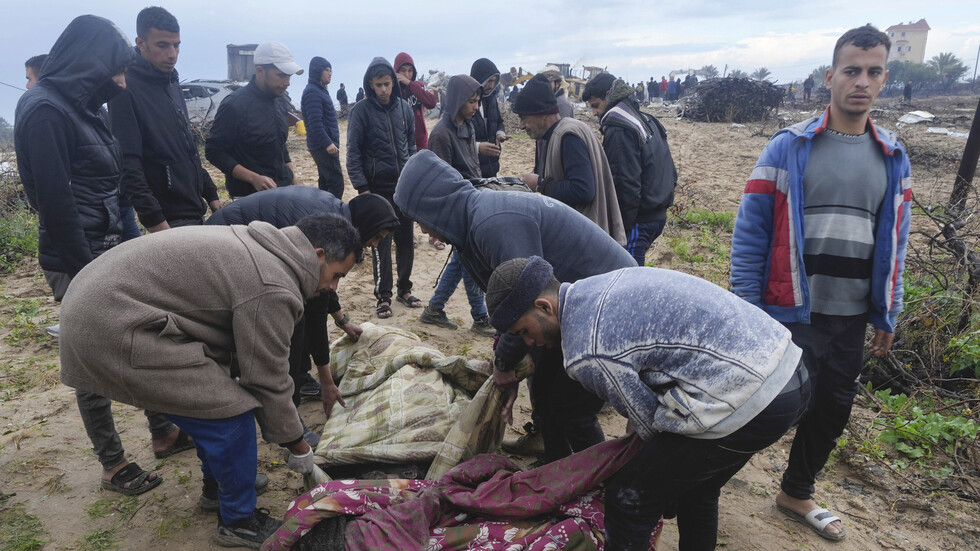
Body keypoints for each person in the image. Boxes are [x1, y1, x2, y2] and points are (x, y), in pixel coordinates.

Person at [59, 214, 361, 549]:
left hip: (100, 304)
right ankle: (238, 522)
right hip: (109, 326)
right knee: (229, 415)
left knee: (208, 399)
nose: (332, 288)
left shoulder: (266, 247)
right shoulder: (274, 285)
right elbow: (266, 379)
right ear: (318, 255)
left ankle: (218, 488)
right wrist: (297, 443)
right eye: (336, 276)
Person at [484, 256, 809, 551]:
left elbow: (649, 423)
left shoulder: (587, 350)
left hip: (750, 396)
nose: (529, 342)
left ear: (544, 307)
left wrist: (648, 479)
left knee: (628, 499)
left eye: (524, 331)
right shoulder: (601, 283)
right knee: (697, 488)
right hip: (789, 368)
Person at [731, 24, 911, 542]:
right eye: (852, 70)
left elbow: (896, 242)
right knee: (766, 406)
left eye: (873, 72)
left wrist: (888, 312)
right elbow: (751, 231)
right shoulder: (788, 147)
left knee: (832, 409)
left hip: (852, 314)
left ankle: (796, 490)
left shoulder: (893, 157)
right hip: (790, 310)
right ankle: (699, 477)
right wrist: (748, 307)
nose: (862, 81)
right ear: (830, 76)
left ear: (884, 80)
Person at [14, 14, 192, 498]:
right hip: (76, 258)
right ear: (89, 62)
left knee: (141, 338)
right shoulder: (45, 110)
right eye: (115, 70)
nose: (121, 81)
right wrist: (88, 271)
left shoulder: (84, 107)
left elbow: (108, 189)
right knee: (89, 355)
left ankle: (163, 431)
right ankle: (113, 465)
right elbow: (55, 205)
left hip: (110, 247)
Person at [393, 149, 637, 463]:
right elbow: (512, 309)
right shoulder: (472, 222)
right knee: (544, 391)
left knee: (570, 405)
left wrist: (505, 363)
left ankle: (601, 478)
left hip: (606, 306)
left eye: (420, 220)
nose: (423, 230)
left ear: (435, 207)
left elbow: (523, 299)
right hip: (563, 307)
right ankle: (556, 462)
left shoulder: (493, 223)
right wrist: (503, 355)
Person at [207, 188, 401, 428]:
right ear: (367, 224)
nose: (373, 244)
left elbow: (325, 284)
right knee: (293, 323)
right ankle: (288, 416)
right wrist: (327, 381)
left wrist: (341, 319)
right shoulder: (328, 233)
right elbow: (314, 312)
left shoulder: (337, 218)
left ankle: (298, 379)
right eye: (377, 237)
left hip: (229, 234)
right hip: (225, 244)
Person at [107, 7, 222, 233]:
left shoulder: (171, 82)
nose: (172, 54)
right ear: (141, 43)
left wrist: (210, 192)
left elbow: (187, 147)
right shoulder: (125, 89)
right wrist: (155, 221)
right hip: (168, 218)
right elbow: (128, 164)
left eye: (176, 45)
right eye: (163, 45)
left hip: (193, 206)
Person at [420, 74, 495, 337]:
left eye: (478, 101)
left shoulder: (469, 126)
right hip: (457, 207)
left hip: (474, 199)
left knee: (460, 261)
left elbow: (472, 165)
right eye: (471, 102)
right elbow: (443, 179)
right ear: (457, 101)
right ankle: (481, 317)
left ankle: (434, 309)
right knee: (468, 260)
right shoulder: (440, 134)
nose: (476, 107)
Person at [514, 73, 626, 245]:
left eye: (523, 118)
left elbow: (583, 190)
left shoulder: (568, 136)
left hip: (587, 240)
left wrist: (540, 183)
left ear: (542, 113)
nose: (521, 126)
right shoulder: (559, 134)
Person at [346, 56, 419, 319]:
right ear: (370, 85)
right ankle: (383, 296)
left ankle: (405, 288)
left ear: (393, 83)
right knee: (382, 244)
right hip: (376, 189)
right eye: (378, 85)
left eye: (387, 84)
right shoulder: (360, 112)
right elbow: (353, 153)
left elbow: (411, 145)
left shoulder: (404, 108)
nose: (384, 90)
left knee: (406, 241)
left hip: (403, 188)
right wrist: (363, 189)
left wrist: (411, 176)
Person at [582, 74, 677, 266]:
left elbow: (625, 184)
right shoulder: (645, 119)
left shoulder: (618, 127)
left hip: (639, 220)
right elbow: (671, 170)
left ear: (608, 95)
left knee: (628, 278)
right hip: (658, 213)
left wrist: (621, 231)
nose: (594, 113)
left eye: (595, 105)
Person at [205, 41, 303, 199]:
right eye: (281, 75)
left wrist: (293, 177)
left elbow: (279, 145)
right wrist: (253, 178)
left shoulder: (280, 100)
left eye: (289, 76)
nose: (287, 82)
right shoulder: (235, 105)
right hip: (249, 197)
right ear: (260, 70)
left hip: (283, 190)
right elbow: (214, 152)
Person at [301, 57, 343, 199]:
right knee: (336, 183)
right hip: (323, 146)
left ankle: (323, 214)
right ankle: (332, 216)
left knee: (325, 182)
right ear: (317, 71)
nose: (330, 73)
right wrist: (328, 143)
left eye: (331, 70)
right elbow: (315, 123)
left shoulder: (320, 90)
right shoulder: (313, 92)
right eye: (327, 70)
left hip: (324, 145)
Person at [470, 57, 507, 178]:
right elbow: (458, 137)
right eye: (488, 81)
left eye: (494, 81)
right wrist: (478, 147)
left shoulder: (492, 99)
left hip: (492, 166)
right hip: (473, 168)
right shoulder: (466, 103)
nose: (491, 85)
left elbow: (499, 121)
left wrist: (500, 133)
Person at [394, 52, 438, 151]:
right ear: (396, 71)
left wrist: (410, 84)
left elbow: (432, 102)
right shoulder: (392, 91)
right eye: (403, 70)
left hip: (421, 144)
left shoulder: (418, 87)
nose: (406, 74)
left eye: (410, 71)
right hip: (401, 147)